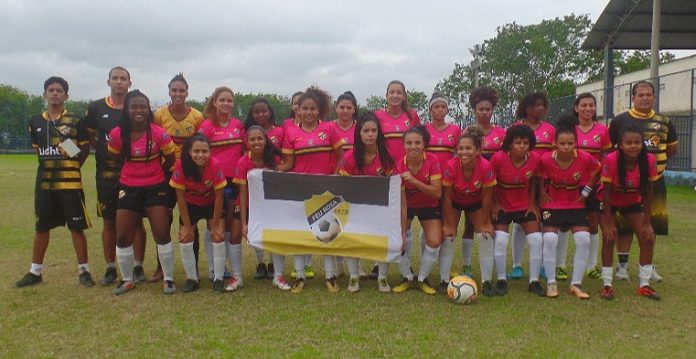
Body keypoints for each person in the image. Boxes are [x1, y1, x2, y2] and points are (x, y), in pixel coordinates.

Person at [16, 76, 94, 288]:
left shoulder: (76, 120)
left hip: (70, 184)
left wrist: (68, 150)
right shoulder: (35, 121)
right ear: (44, 94)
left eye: (59, 90)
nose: (55, 94)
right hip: (45, 185)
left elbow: (84, 151)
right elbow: (39, 152)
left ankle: (84, 271)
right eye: (51, 90)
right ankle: (35, 271)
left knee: (76, 228)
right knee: (42, 227)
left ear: (66, 95)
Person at [608, 80, 677, 282]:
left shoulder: (664, 121)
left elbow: (671, 149)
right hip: (624, 184)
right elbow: (611, 148)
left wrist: (653, 167)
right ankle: (622, 267)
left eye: (649, 95)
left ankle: (648, 266)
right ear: (633, 98)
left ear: (654, 97)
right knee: (624, 225)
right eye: (641, 95)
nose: (645, 98)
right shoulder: (620, 120)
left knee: (650, 224)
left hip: (654, 182)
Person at [108, 90, 176, 295]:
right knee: (122, 236)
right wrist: (132, 175)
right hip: (128, 187)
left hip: (156, 187)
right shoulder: (117, 134)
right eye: (134, 107)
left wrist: (155, 176)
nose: (139, 110)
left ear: (148, 110)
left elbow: (170, 160)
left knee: (162, 232)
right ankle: (127, 279)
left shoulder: (158, 133)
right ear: (127, 109)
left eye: (143, 107)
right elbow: (115, 160)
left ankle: (169, 279)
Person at [85, 66, 148, 285]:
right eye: (115, 78)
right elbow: (92, 138)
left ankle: (138, 266)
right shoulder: (96, 108)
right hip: (107, 175)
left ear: (130, 83)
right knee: (109, 222)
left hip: (134, 175)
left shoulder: (136, 107)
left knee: (137, 220)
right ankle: (110, 267)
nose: (119, 82)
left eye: (123, 79)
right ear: (108, 81)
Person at [279, 86, 344, 293]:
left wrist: (334, 177)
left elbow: (341, 157)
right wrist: (267, 170)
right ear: (298, 110)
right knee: (301, 234)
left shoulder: (330, 129)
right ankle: (299, 276)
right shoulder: (291, 132)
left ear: (319, 110)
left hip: (325, 190)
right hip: (301, 190)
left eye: (312, 109)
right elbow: (288, 164)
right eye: (304, 108)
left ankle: (330, 275)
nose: (308, 112)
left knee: (327, 232)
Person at [538, 117, 600, 299]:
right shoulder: (545, 159)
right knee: (549, 239)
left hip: (575, 203)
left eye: (570, 143)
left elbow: (597, 171)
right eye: (562, 143)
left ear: (576, 143)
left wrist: (586, 192)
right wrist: (542, 192)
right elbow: (537, 176)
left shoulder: (585, 158)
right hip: (553, 204)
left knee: (583, 239)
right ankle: (551, 282)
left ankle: (576, 284)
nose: (566, 147)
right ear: (555, 143)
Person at [599, 124, 661, 300]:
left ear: (643, 144)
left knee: (648, 238)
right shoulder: (611, 159)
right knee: (609, 237)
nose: (633, 146)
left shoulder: (648, 160)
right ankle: (607, 285)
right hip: (610, 201)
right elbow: (606, 193)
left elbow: (648, 193)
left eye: (637, 142)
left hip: (633, 202)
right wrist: (609, 224)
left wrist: (647, 223)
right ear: (620, 144)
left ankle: (644, 285)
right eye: (629, 143)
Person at [153, 73, 205, 282]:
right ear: (169, 91)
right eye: (174, 90)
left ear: (187, 92)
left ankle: (193, 267)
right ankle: (161, 267)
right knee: (163, 221)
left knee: (189, 220)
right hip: (165, 174)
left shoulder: (197, 117)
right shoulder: (159, 115)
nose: (177, 94)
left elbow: (201, 146)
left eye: (181, 90)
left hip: (189, 175)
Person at [339, 112, 397, 293]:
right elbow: (343, 187)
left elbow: (392, 186)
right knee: (353, 240)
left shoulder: (386, 156)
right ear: (359, 134)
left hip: (381, 207)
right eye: (366, 131)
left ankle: (382, 278)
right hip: (355, 207)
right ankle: (354, 277)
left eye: (374, 130)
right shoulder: (349, 158)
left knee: (381, 240)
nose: (370, 134)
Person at [199, 86, 246, 291]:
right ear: (214, 102)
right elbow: (200, 152)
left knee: (228, 224)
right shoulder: (207, 126)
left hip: (234, 180)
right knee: (214, 223)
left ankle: (224, 266)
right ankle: (213, 268)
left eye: (229, 100)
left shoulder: (238, 125)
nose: (226, 104)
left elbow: (245, 150)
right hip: (214, 180)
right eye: (222, 100)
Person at [509, 92, 559, 281]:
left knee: (546, 221)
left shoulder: (549, 129)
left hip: (544, 181)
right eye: (534, 105)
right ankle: (516, 265)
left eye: (541, 105)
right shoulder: (516, 127)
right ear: (526, 107)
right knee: (521, 224)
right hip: (521, 182)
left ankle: (546, 265)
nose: (538, 109)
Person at [489, 125, 545, 296]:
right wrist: (496, 205)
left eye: (526, 143)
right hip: (503, 205)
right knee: (500, 240)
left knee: (536, 239)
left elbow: (534, 181)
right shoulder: (498, 158)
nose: (522, 146)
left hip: (524, 205)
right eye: (518, 142)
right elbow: (490, 185)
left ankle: (534, 281)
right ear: (509, 144)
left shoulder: (535, 158)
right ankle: (501, 279)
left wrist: (532, 204)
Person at [441, 125, 496, 295]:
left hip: (476, 202)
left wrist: (486, 222)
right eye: (461, 148)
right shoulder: (451, 165)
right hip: (455, 202)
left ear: (478, 150)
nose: (464, 152)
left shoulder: (486, 167)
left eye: (469, 148)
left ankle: (486, 281)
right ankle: (443, 281)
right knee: (448, 236)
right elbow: (447, 197)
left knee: (486, 236)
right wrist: (449, 224)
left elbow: (487, 197)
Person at [234, 126, 291, 291]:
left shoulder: (274, 159)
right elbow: (243, 194)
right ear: (247, 142)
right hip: (250, 206)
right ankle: (237, 277)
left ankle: (278, 276)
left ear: (266, 140)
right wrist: (245, 223)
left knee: (277, 235)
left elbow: (281, 184)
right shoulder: (243, 162)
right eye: (252, 139)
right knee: (237, 233)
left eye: (260, 138)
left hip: (270, 206)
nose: (256, 142)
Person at [169, 134, 226, 292]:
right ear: (189, 152)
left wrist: (215, 225)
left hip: (212, 203)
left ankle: (218, 277)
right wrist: (187, 226)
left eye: (204, 151)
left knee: (218, 235)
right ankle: (192, 278)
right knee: (186, 237)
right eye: (196, 151)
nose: (200, 155)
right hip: (191, 204)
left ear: (210, 151)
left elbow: (220, 197)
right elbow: (180, 197)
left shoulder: (215, 165)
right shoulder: (181, 166)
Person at [459, 87, 506, 278]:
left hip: (490, 184)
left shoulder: (501, 133)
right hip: (470, 183)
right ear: (475, 111)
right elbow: (461, 156)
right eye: (480, 109)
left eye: (487, 109)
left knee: (489, 224)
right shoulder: (468, 131)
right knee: (469, 226)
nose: (484, 112)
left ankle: (493, 261)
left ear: (492, 110)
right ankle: (467, 264)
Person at [392, 125, 442, 295]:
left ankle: (422, 279)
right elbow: (402, 203)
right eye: (409, 143)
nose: (413, 146)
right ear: (403, 145)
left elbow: (437, 192)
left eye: (417, 143)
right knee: (397, 241)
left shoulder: (433, 160)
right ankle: (407, 277)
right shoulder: (398, 166)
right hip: (407, 206)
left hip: (429, 205)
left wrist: (414, 181)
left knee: (435, 241)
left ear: (424, 144)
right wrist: (401, 231)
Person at [571, 93, 611, 279]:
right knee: (564, 224)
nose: (588, 109)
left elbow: (605, 157)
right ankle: (561, 265)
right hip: (571, 183)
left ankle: (591, 265)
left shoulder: (602, 130)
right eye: (584, 105)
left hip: (594, 184)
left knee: (593, 224)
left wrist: (601, 179)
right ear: (576, 108)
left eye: (591, 105)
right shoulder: (569, 130)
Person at [423, 93, 460, 290]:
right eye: (435, 106)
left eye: (442, 106)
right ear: (430, 109)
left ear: (447, 109)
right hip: (428, 185)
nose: (439, 110)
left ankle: (445, 277)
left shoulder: (455, 129)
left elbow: (460, 154)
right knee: (427, 229)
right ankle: (425, 271)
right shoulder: (424, 130)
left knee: (449, 228)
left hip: (448, 185)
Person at [244, 97, 284, 279]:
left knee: (273, 224)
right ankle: (260, 263)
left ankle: (273, 264)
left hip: (273, 188)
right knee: (257, 224)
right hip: (253, 189)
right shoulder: (247, 133)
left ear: (270, 112)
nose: (260, 114)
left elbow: (283, 157)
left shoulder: (281, 131)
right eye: (256, 112)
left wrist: (273, 171)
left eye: (264, 111)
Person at [330, 91, 359, 278]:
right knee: (335, 222)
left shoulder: (361, 127)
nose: (345, 111)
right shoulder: (329, 127)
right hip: (334, 180)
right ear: (336, 108)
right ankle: (338, 262)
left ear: (354, 109)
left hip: (355, 182)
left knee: (354, 223)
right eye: (342, 107)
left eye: (349, 107)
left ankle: (357, 264)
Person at [374, 80, 421, 162]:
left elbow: (420, 141)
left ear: (403, 96)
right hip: (384, 167)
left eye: (399, 93)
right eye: (392, 92)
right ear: (386, 95)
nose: (395, 95)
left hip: (408, 167)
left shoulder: (412, 115)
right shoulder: (377, 116)